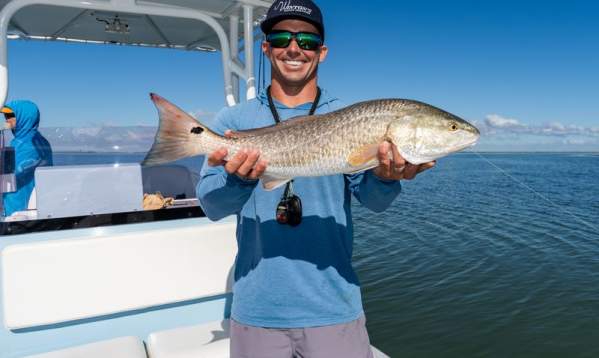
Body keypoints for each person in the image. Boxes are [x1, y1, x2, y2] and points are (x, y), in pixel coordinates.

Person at [197, 1, 434, 356]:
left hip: (334, 307)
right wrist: (239, 180)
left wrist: (386, 178)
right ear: (266, 48)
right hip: (257, 310)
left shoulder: (351, 119)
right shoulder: (233, 123)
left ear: (321, 53)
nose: (294, 48)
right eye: (281, 38)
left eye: (307, 41)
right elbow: (211, 205)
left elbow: (375, 202)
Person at [1, 100, 53, 217]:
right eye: (5, 115)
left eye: (10, 115)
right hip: (23, 204)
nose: (6, 119)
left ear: (24, 117)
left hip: (20, 208)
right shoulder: (37, 141)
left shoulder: (30, 144)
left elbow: (11, 172)